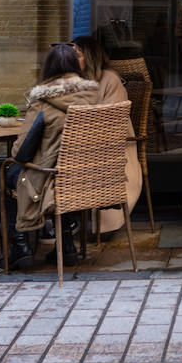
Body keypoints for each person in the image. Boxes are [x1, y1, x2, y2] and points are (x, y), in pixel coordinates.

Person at [0, 44, 101, 270]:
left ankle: (21, 247)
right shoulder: (94, 97)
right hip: (87, 175)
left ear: (49, 69)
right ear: (75, 66)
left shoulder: (42, 101)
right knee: (61, 171)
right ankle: (67, 246)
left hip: (49, 176)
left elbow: (20, 152)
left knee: (9, 171)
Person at [72, 35, 142, 239]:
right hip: (80, 144)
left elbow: (111, 121)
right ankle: (61, 222)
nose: (71, 60)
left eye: (76, 55)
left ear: (90, 56)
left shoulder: (109, 79)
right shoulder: (74, 81)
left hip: (112, 146)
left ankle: (78, 222)